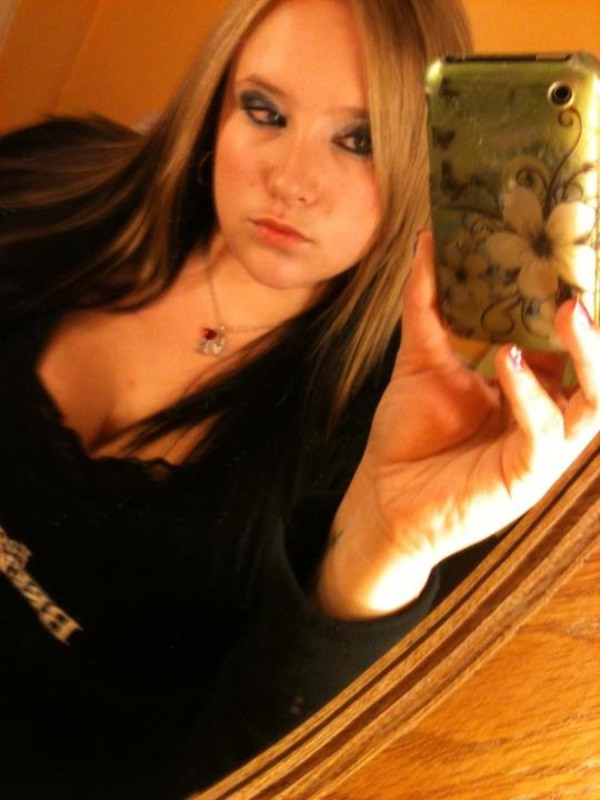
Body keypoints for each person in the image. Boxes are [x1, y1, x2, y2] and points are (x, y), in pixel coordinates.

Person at [1, 0, 599, 797]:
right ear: (217, 103)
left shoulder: (392, 434)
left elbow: (249, 770)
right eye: (265, 111)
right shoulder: (44, 182)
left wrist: (385, 548)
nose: (290, 181)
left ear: (428, 159)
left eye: (360, 141)